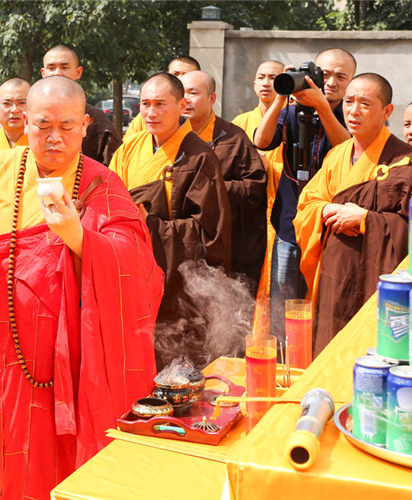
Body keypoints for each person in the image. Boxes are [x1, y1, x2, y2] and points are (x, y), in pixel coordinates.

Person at [0, 76, 163, 500]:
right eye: (42, 126)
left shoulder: (101, 184)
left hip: (79, 356)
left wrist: (79, 236)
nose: (54, 138)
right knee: (8, 454)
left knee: (70, 457)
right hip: (6, 354)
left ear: (84, 127)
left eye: (66, 127)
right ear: (24, 121)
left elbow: (136, 267)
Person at [293, 73, 412, 357]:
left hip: (373, 280)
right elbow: (308, 204)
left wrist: (366, 220)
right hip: (333, 272)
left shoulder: (407, 162)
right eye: (349, 102)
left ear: (387, 111)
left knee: (370, 351)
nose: (354, 110)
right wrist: (327, 209)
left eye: (365, 103)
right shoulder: (336, 155)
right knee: (330, 346)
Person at [109, 72, 232, 369]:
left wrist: (151, 225)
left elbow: (209, 231)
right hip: (133, 267)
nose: (151, 112)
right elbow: (109, 199)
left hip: (178, 279)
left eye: (161, 104)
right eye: (145, 104)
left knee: (174, 357)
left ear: (181, 106)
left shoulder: (200, 157)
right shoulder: (129, 148)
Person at [253, 48, 356, 343]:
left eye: (341, 76)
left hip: (331, 227)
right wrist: (281, 96)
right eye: (324, 74)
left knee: (326, 302)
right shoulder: (290, 111)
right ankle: (284, 364)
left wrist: (323, 107)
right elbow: (261, 141)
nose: (331, 81)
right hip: (290, 224)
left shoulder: (352, 113)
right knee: (284, 304)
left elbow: (346, 150)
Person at [181, 70, 267, 292]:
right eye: (181, 93)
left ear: (212, 99)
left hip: (225, 239)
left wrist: (211, 191)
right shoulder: (169, 135)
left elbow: (255, 187)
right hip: (180, 239)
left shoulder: (233, 137)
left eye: (193, 92)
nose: (186, 99)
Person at [232, 60, 286, 332]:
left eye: (274, 78)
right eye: (261, 77)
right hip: (252, 216)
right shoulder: (241, 123)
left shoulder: (294, 119)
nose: (266, 83)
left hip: (283, 212)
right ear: (254, 84)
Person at [41, 45, 121, 165]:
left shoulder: (98, 121)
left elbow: (113, 170)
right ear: (43, 73)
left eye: (64, 67)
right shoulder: (31, 116)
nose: (57, 73)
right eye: (51, 68)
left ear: (78, 72)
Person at [124, 55, 202, 140]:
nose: (180, 79)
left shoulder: (200, 113)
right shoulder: (146, 117)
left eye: (186, 75)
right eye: (175, 74)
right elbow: (128, 147)